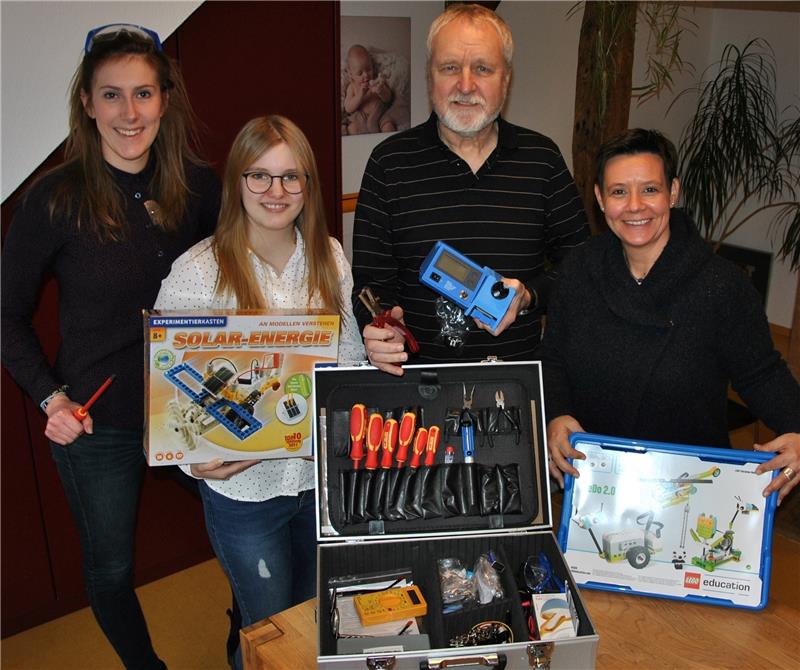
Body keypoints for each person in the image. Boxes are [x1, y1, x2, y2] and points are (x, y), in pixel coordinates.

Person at [1, 24, 220, 670]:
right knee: (110, 566)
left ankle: (250, 640)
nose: (130, 113)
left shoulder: (201, 187)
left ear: (165, 100)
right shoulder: (52, 198)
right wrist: (51, 399)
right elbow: (5, 315)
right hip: (101, 422)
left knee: (248, 524)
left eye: (144, 94)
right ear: (89, 104)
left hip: (195, 407)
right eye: (113, 96)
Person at [153, 115, 365, 670]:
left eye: (291, 177)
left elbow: (350, 364)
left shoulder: (329, 258)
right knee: (269, 627)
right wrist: (193, 465)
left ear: (309, 186)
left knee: (317, 617)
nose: (277, 192)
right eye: (260, 177)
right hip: (246, 495)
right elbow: (166, 386)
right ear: (236, 183)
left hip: (319, 483)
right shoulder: (198, 272)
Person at [541, 128, 800, 505]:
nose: (634, 206)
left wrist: (798, 428)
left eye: (649, 189)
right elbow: (554, 358)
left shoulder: (720, 284)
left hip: (687, 490)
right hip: (594, 482)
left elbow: (762, 373)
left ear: (673, 192)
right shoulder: (579, 269)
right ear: (599, 198)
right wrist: (558, 415)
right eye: (618, 191)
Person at [351, 3, 589, 376]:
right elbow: (371, 284)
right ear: (430, 78)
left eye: (482, 68)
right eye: (450, 68)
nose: (465, 85)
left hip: (519, 384)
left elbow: (582, 267)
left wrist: (528, 296)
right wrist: (380, 326)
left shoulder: (542, 160)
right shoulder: (388, 163)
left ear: (506, 80)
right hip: (418, 387)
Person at [343, 44, 396, 135]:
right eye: (360, 73)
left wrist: (381, 91)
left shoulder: (377, 81)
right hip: (361, 118)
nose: (366, 75)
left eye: (368, 69)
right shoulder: (352, 87)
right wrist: (360, 95)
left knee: (388, 126)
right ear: (350, 74)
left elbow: (388, 99)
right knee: (352, 128)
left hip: (379, 115)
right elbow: (348, 108)